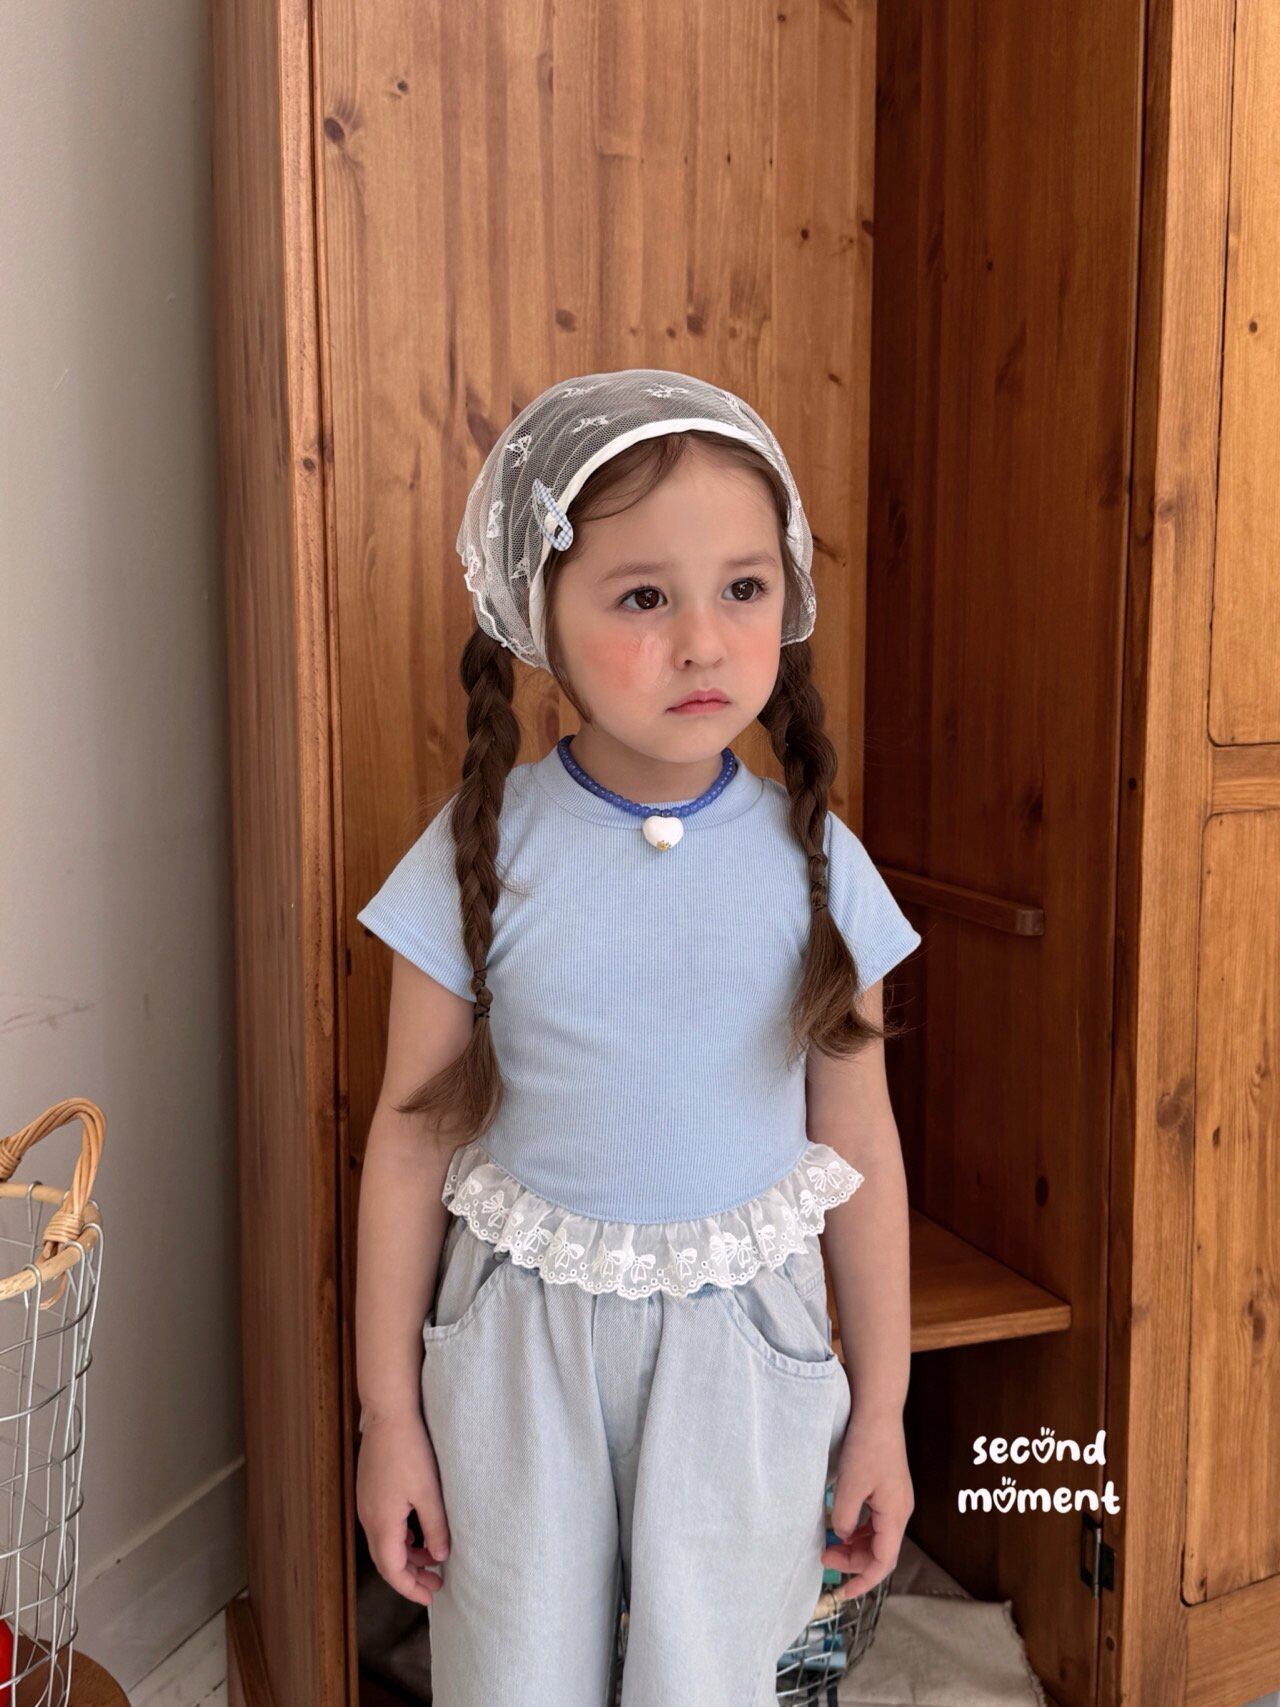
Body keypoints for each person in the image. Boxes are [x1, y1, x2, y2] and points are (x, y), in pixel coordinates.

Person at [353, 368, 921, 1705]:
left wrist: (883, 1413)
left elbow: (861, 1149)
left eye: (744, 587)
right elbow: (407, 1144)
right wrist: (389, 1419)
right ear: (538, 616)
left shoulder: (819, 867)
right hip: (518, 1357)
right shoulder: (475, 855)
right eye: (644, 598)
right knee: (515, 1669)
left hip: (744, 1356)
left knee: (710, 1670)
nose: (706, 643)